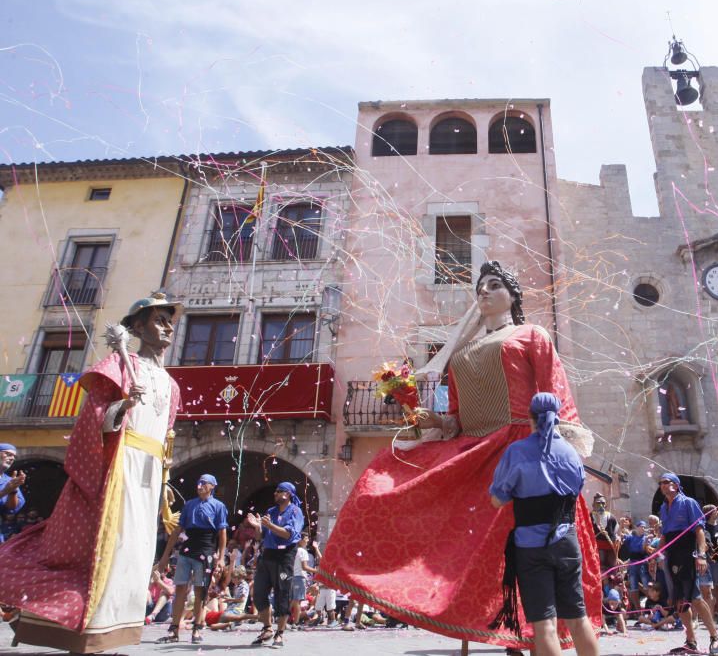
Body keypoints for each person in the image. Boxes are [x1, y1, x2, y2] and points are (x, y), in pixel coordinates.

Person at [317, 261, 602, 652]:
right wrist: (421, 413)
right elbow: (453, 419)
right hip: (474, 451)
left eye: (495, 285)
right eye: (480, 287)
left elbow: (557, 395)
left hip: (520, 449)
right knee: (385, 481)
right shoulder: (462, 351)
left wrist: (554, 449)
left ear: (513, 296)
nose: (483, 291)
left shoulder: (531, 334)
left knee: (529, 569)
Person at [0, 293, 182, 653]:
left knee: (134, 556)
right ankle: (84, 637)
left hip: (149, 477)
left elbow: (167, 434)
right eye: (159, 319)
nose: (167, 326)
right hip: (119, 469)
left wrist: (165, 468)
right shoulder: (119, 364)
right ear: (138, 326)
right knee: (108, 551)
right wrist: (123, 405)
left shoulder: (172, 385)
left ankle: (110, 637)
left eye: (169, 319)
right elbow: (92, 420)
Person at [487, 392, 599, 656]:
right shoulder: (571, 453)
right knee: (577, 618)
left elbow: (496, 501)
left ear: (530, 418)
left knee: (545, 625)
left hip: (531, 546)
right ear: (558, 418)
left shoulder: (517, 452)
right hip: (567, 542)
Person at [155, 473, 229, 644]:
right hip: (187, 551)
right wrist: (165, 556)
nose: (200, 485)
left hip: (206, 551)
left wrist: (221, 557)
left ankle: (197, 628)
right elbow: (177, 530)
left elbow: (222, 532)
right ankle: (174, 629)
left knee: (199, 591)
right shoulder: (189, 505)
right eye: (198, 482)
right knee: (180, 588)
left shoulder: (218, 506)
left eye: (204, 483)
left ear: (212, 486)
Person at [657, 472, 718, 655]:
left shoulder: (688, 503)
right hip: (672, 554)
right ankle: (690, 641)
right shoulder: (663, 507)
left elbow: (699, 530)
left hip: (687, 551)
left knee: (695, 597)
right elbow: (664, 535)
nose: (662, 485)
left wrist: (701, 555)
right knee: (679, 600)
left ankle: (714, 637)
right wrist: (656, 555)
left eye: (666, 482)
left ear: (676, 485)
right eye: (660, 483)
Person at [244, 481, 305, 647]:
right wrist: (258, 527)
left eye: (279, 491)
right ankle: (267, 628)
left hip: (285, 557)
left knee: (282, 592)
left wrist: (269, 525)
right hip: (268, 556)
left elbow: (288, 535)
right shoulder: (271, 511)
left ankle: (280, 632)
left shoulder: (295, 511)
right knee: (258, 593)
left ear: (288, 494)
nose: (275, 494)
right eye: (276, 491)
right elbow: (259, 537)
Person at [0, 443, 26, 545]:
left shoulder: (10, 481)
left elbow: (11, 508)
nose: (12, 458)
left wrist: (13, 491)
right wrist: (4, 492)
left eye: (14, 457)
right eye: (8, 454)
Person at [590, 493, 619, 572]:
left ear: (605, 505)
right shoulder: (589, 517)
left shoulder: (611, 517)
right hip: (596, 547)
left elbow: (615, 530)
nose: (601, 505)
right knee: (600, 567)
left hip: (610, 546)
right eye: (598, 503)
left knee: (612, 568)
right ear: (593, 505)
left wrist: (617, 538)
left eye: (603, 503)